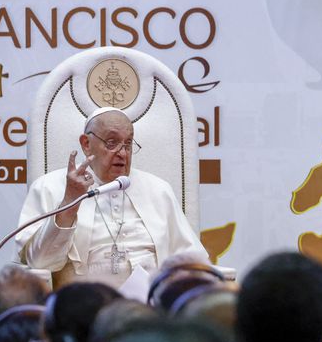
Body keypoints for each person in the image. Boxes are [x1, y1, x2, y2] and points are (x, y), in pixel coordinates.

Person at [15, 107, 208, 288]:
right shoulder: (49, 186)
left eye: (128, 144)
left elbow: (194, 260)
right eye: (112, 143)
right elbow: (39, 262)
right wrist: (69, 203)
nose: (122, 153)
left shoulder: (158, 190)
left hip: (149, 309)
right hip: (83, 309)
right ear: (86, 144)